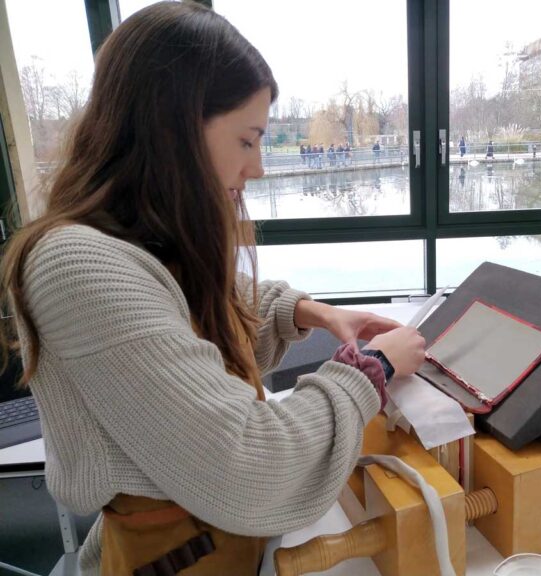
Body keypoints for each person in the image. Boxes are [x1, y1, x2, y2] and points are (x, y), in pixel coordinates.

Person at [0, 3, 425, 575]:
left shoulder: (129, 240)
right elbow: (251, 466)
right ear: (174, 127)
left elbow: (191, 327)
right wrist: (368, 372)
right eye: (247, 141)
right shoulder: (75, 265)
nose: (258, 169)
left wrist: (307, 311)